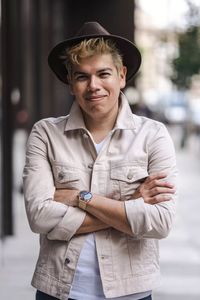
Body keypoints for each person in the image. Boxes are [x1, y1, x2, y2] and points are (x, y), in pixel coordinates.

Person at [23, 22, 177, 300]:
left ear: (121, 75)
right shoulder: (45, 134)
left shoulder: (153, 135)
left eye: (103, 73)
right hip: (58, 291)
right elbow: (39, 216)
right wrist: (129, 207)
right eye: (82, 77)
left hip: (131, 293)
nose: (93, 86)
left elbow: (160, 221)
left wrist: (80, 197)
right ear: (71, 83)